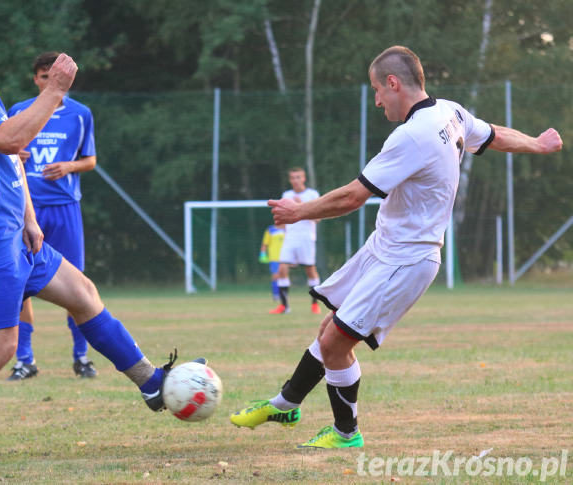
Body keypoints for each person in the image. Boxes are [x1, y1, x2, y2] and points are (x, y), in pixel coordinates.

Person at [231, 45, 562, 448]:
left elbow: (352, 196)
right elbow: (494, 135)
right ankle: (285, 404)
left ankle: (345, 434)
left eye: (377, 89)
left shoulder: (412, 135)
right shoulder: (450, 113)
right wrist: (538, 144)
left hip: (407, 258)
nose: (376, 100)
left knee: (336, 342)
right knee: (328, 330)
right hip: (384, 247)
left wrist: (298, 212)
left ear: (393, 83)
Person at [0, 11, 197, 465]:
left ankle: (151, 382)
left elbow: (12, 158)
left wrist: (30, 218)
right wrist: (55, 89)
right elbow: (10, 138)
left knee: (83, 293)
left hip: (15, 233)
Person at [5, 52, 98, 381]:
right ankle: (25, 359)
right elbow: (3, 150)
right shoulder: (19, 111)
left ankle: (82, 356)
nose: (48, 82)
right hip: (26, 209)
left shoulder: (80, 114)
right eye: (42, 76)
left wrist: (69, 166)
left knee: (77, 285)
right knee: (18, 285)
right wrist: (13, 152)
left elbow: (90, 159)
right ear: (36, 80)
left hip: (65, 208)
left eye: (52, 76)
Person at [269, 168, 322, 315]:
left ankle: (314, 304)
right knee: (282, 269)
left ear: (304, 178)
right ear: (290, 180)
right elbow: (284, 218)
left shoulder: (312, 194)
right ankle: (284, 306)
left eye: (298, 177)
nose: (295, 180)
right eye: (293, 177)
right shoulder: (286, 195)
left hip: (306, 238)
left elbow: (317, 219)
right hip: (290, 238)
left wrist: (302, 206)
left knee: (310, 271)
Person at [259, 223, 285, 301]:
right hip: (274, 257)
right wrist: (262, 254)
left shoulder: (288, 230)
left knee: (284, 276)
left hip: (285, 258)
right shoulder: (270, 229)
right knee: (275, 276)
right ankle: (276, 295)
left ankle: (283, 295)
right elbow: (265, 243)